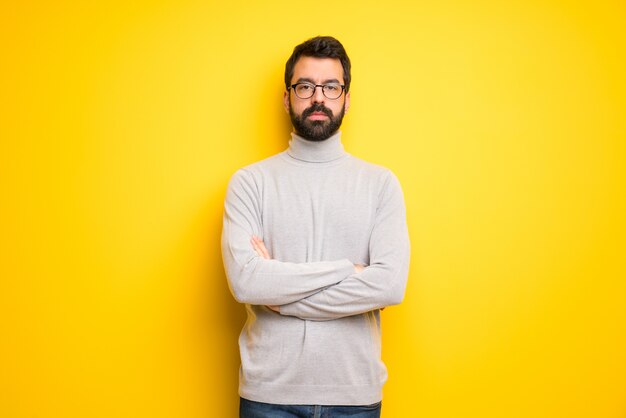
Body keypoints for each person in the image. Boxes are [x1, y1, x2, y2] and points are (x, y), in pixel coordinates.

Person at [221, 36, 410, 418]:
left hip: (354, 397)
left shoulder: (380, 184)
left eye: (331, 87)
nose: (318, 97)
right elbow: (246, 283)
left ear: (347, 97)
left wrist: (279, 296)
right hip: (267, 395)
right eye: (305, 86)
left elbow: (389, 284)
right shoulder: (249, 182)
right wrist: (349, 270)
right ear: (287, 98)